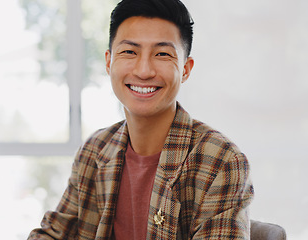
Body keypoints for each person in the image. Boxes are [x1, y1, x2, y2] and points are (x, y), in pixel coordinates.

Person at [28, 0, 254, 239]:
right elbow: (54, 233)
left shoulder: (222, 162)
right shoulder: (95, 150)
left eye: (162, 54)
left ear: (186, 69)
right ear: (108, 61)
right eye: (129, 52)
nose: (144, 70)